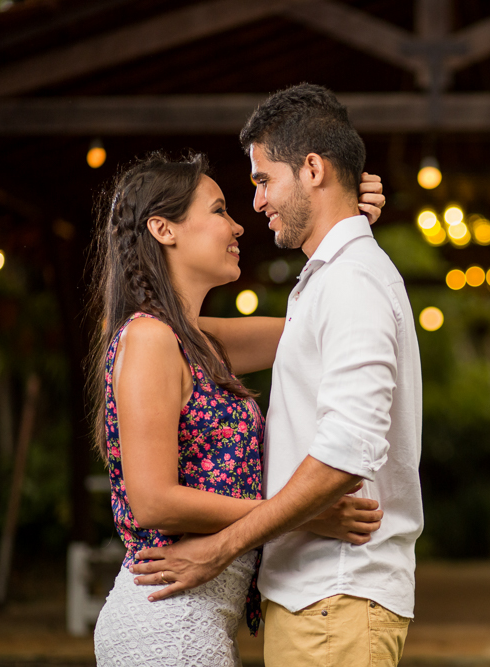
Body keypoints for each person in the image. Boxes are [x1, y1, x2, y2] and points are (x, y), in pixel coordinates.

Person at [130, 84, 424, 667]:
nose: (254, 206)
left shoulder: (350, 282)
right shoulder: (327, 283)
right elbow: (182, 343)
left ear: (312, 168)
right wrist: (345, 226)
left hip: (335, 594)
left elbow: (346, 454)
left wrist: (222, 547)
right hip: (313, 601)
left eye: (263, 180)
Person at [88, 151, 388, 666]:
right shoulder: (149, 338)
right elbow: (153, 501)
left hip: (197, 619)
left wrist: (344, 227)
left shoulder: (197, 340)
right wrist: (304, 514)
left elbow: (318, 325)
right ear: (163, 229)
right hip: (167, 622)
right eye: (220, 209)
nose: (238, 226)